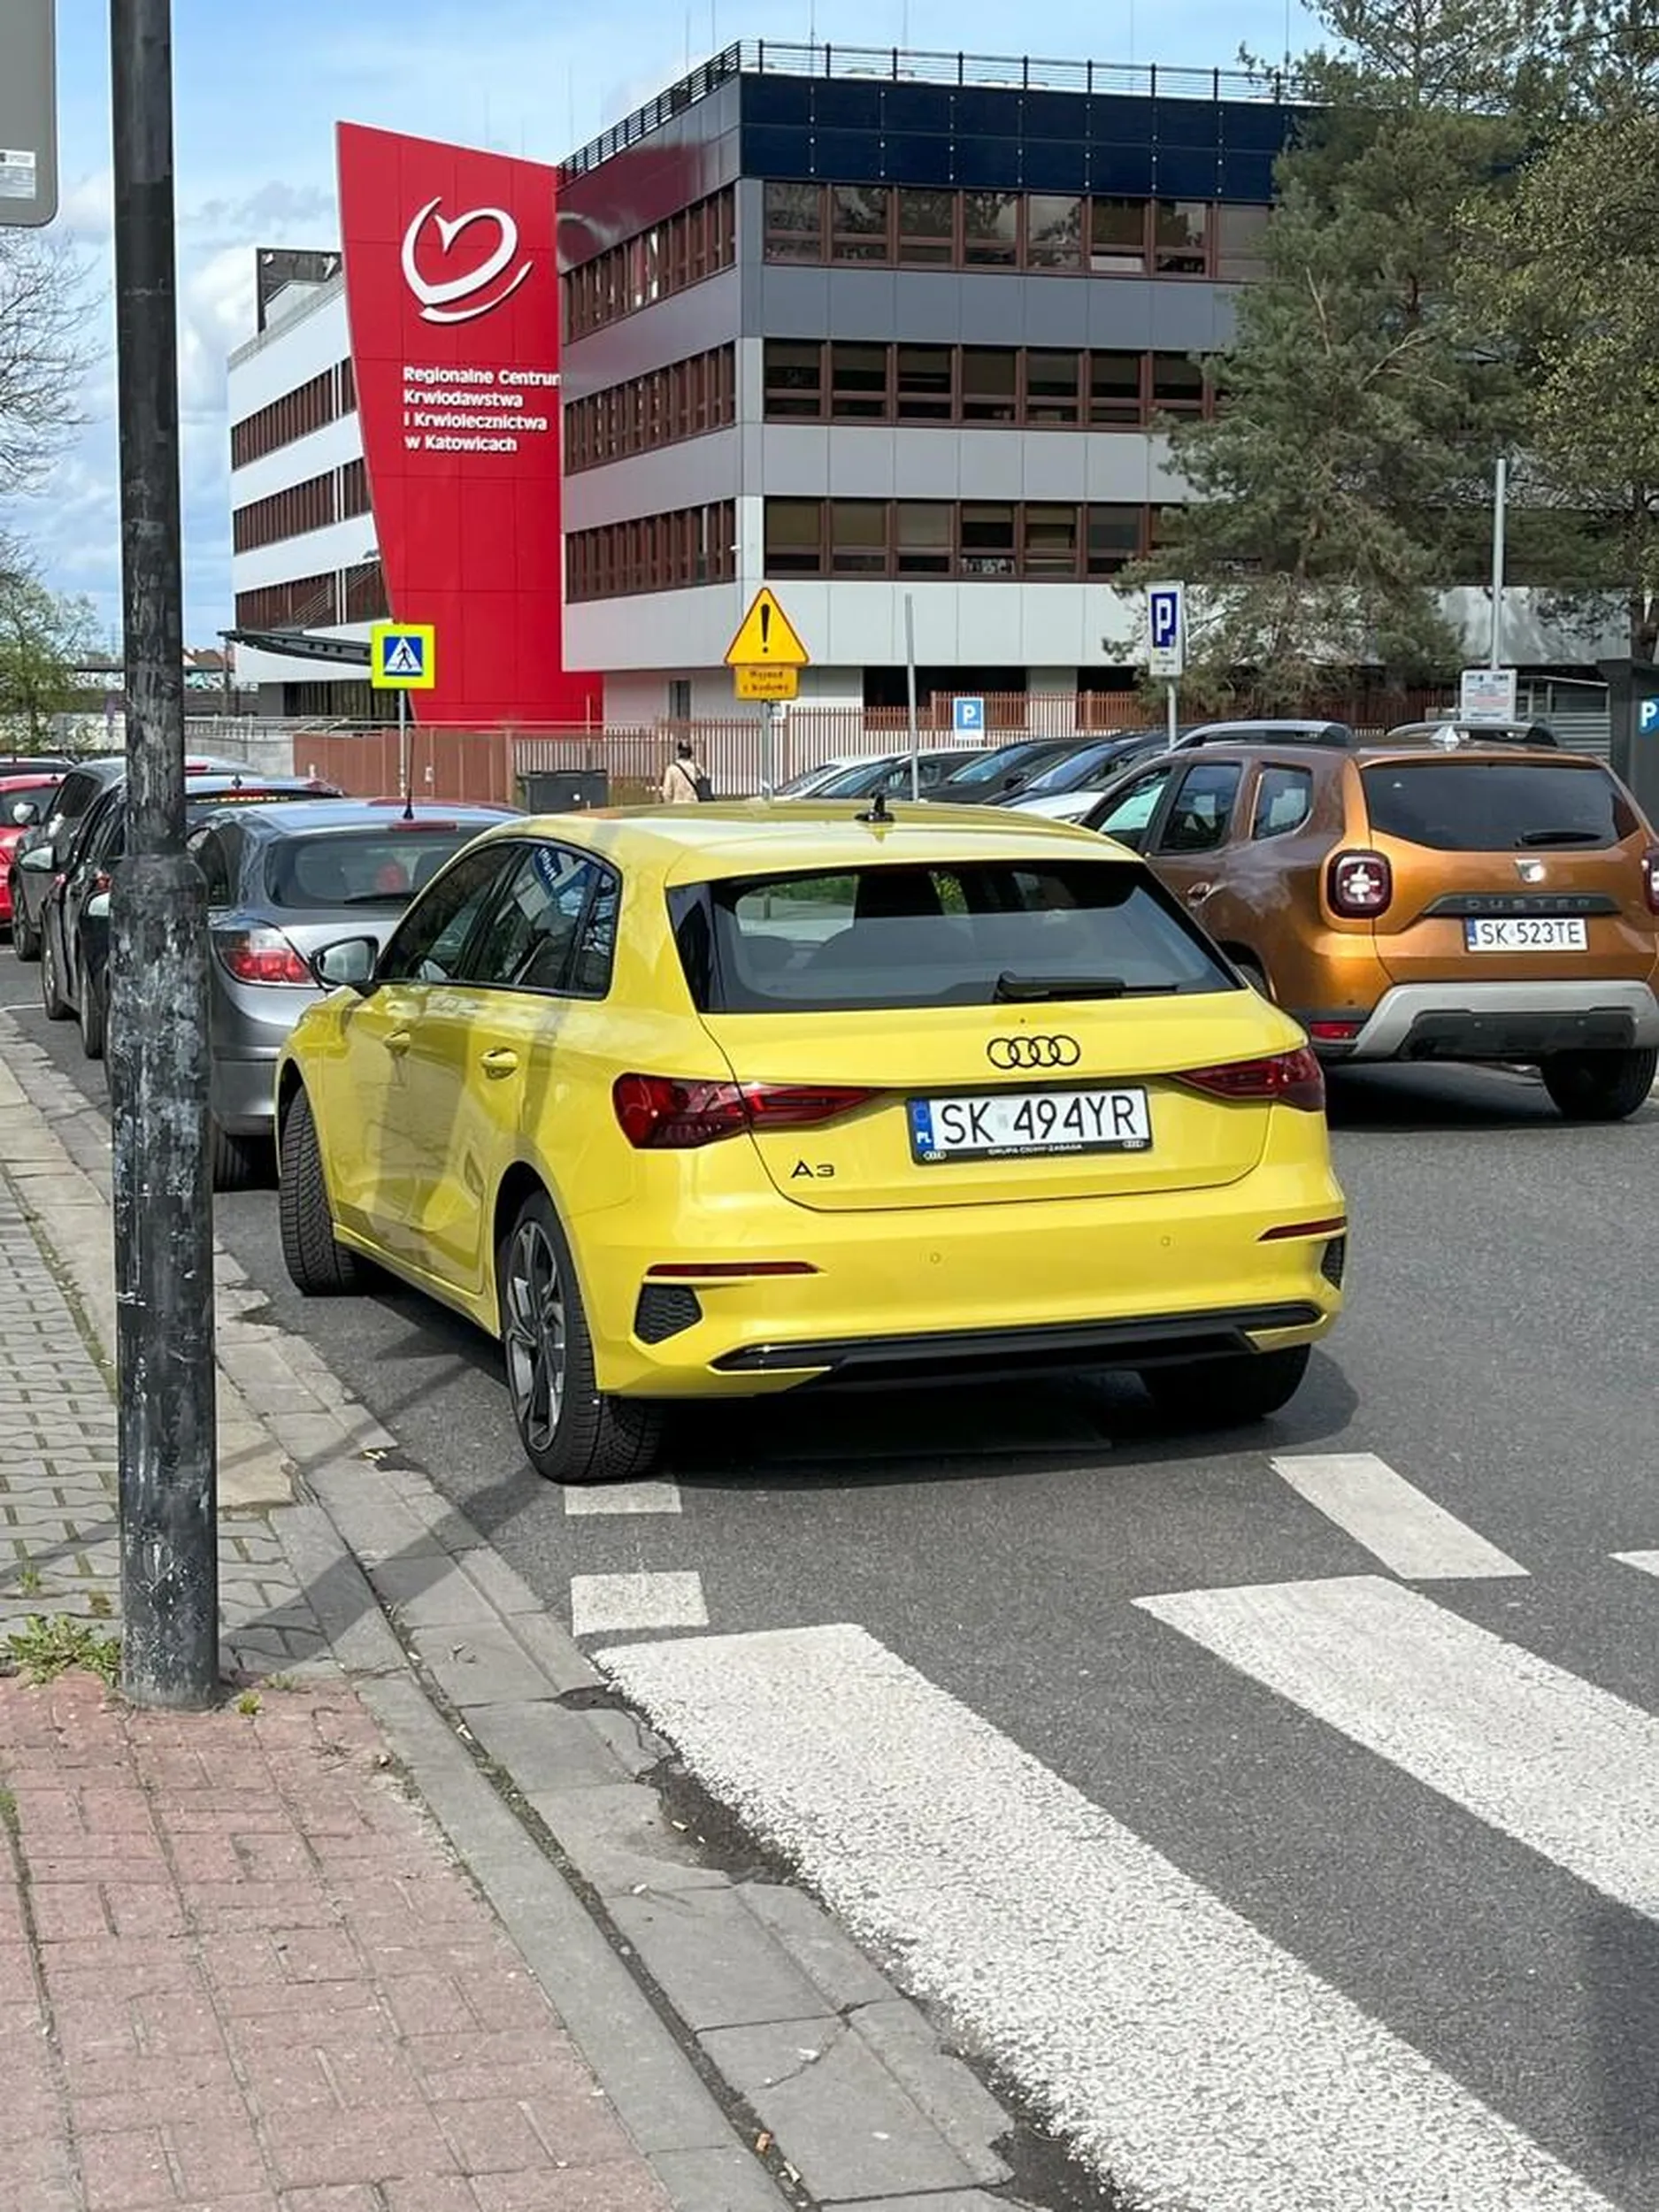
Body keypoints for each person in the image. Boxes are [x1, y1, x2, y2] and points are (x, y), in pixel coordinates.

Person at [662, 740, 712, 804]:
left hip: (677, 804)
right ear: (690, 752)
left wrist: (669, 804)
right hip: (694, 803)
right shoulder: (696, 767)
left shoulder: (671, 769)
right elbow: (706, 781)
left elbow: (666, 793)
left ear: (678, 752)